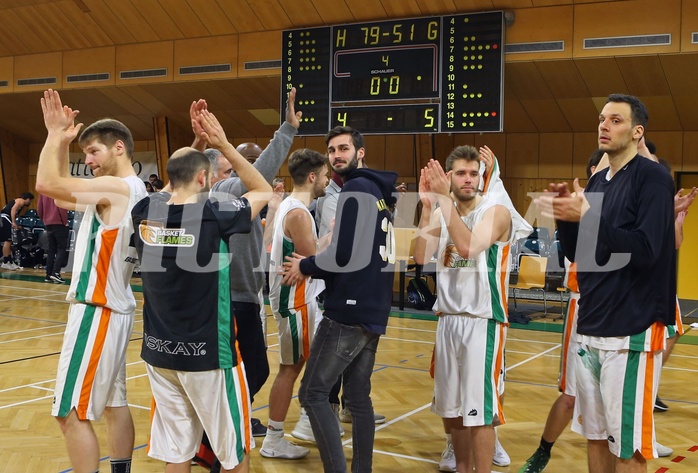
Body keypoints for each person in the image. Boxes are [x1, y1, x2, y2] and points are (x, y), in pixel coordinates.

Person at [537, 94, 675, 473]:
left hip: (630, 328)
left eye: (615, 120)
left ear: (636, 131)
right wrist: (567, 218)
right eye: (601, 119)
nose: (604, 125)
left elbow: (646, 250)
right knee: (596, 436)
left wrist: (588, 217)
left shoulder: (654, 178)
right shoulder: (598, 181)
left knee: (627, 445)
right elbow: (578, 253)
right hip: (591, 323)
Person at [132, 107, 272, 473]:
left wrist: (193, 146)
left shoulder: (145, 212)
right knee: (233, 453)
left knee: (176, 454)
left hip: (159, 353)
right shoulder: (216, 213)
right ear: (204, 177)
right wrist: (223, 143)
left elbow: (166, 190)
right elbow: (263, 188)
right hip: (209, 356)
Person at [37, 89, 147, 473]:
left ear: (119, 147)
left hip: (97, 312)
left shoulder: (116, 190)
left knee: (69, 412)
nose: (88, 162)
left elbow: (47, 184)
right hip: (116, 310)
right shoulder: (134, 191)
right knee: (115, 404)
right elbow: (64, 197)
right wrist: (64, 146)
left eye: (93, 152)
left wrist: (54, 135)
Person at [283, 125, 398, 473]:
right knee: (358, 397)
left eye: (344, 148)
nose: (337, 156)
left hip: (348, 309)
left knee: (312, 394)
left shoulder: (356, 190)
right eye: (332, 150)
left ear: (359, 152)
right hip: (373, 306)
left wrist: (306, 264)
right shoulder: (379, 192)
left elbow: (343, 254)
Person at [191, 89, 302, 438]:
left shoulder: (200, 196)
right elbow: (264, 170)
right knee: (253, 369)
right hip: (233, 299)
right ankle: (222, 425)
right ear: (210, 174)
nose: (240, 173)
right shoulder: (224, 192)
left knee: (235, 368)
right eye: (230, 167)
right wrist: (287, 128)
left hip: (228, 297)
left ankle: (222, 421)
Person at [413, 146, 512, 473]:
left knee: (480, 412)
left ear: (482, 177)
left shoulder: (496, 211)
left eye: (474, 173)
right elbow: (420, 257)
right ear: (449, 177)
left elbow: (468, 246)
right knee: (453, 410)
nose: (468, 179)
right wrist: (428, 208)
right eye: (461, 173)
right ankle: (462, 467)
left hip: (482, 322)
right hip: (448, 321)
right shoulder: (443, 211)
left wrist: (443, 202)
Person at [518, 149, 604, 473]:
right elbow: (573, 250)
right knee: (570, 396)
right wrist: (568, 214)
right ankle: (543, 450)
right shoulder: (579, 213)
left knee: (612, 399)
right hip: (583, 307)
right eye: (596, 172)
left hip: (617, 310)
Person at [260, 148, 329, 460]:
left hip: (297, 299)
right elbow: (315, 260)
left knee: (301, 366)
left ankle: (304, 421)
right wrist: (335, 234)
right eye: (325, 175)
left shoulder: (290, 205)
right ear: (312, 177)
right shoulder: (299, 213)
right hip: (295, 300)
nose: (328, 180)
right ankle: (275, 437)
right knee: (290, 369)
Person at [36, 193, 70, 283]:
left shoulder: (43, 192)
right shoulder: (57, 190)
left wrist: (45, 220)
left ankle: (48, 274)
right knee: (62, 248)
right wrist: (65, 221)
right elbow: (62, 207)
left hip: (48, 224)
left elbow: (39, 209)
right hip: (59, 223)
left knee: (51, 250)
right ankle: (56, 273)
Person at [1, 192, 34, 270]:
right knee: (7, 241)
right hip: (5, 218)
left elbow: (6, 208)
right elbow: (13, 209)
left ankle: (9, 261)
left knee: (10, 241)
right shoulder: (20, 201)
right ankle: (6, 262)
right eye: (31, 200)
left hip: (4, 218)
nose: (30, 202)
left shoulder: (16, 201)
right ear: (28, 199)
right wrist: (13, 222)